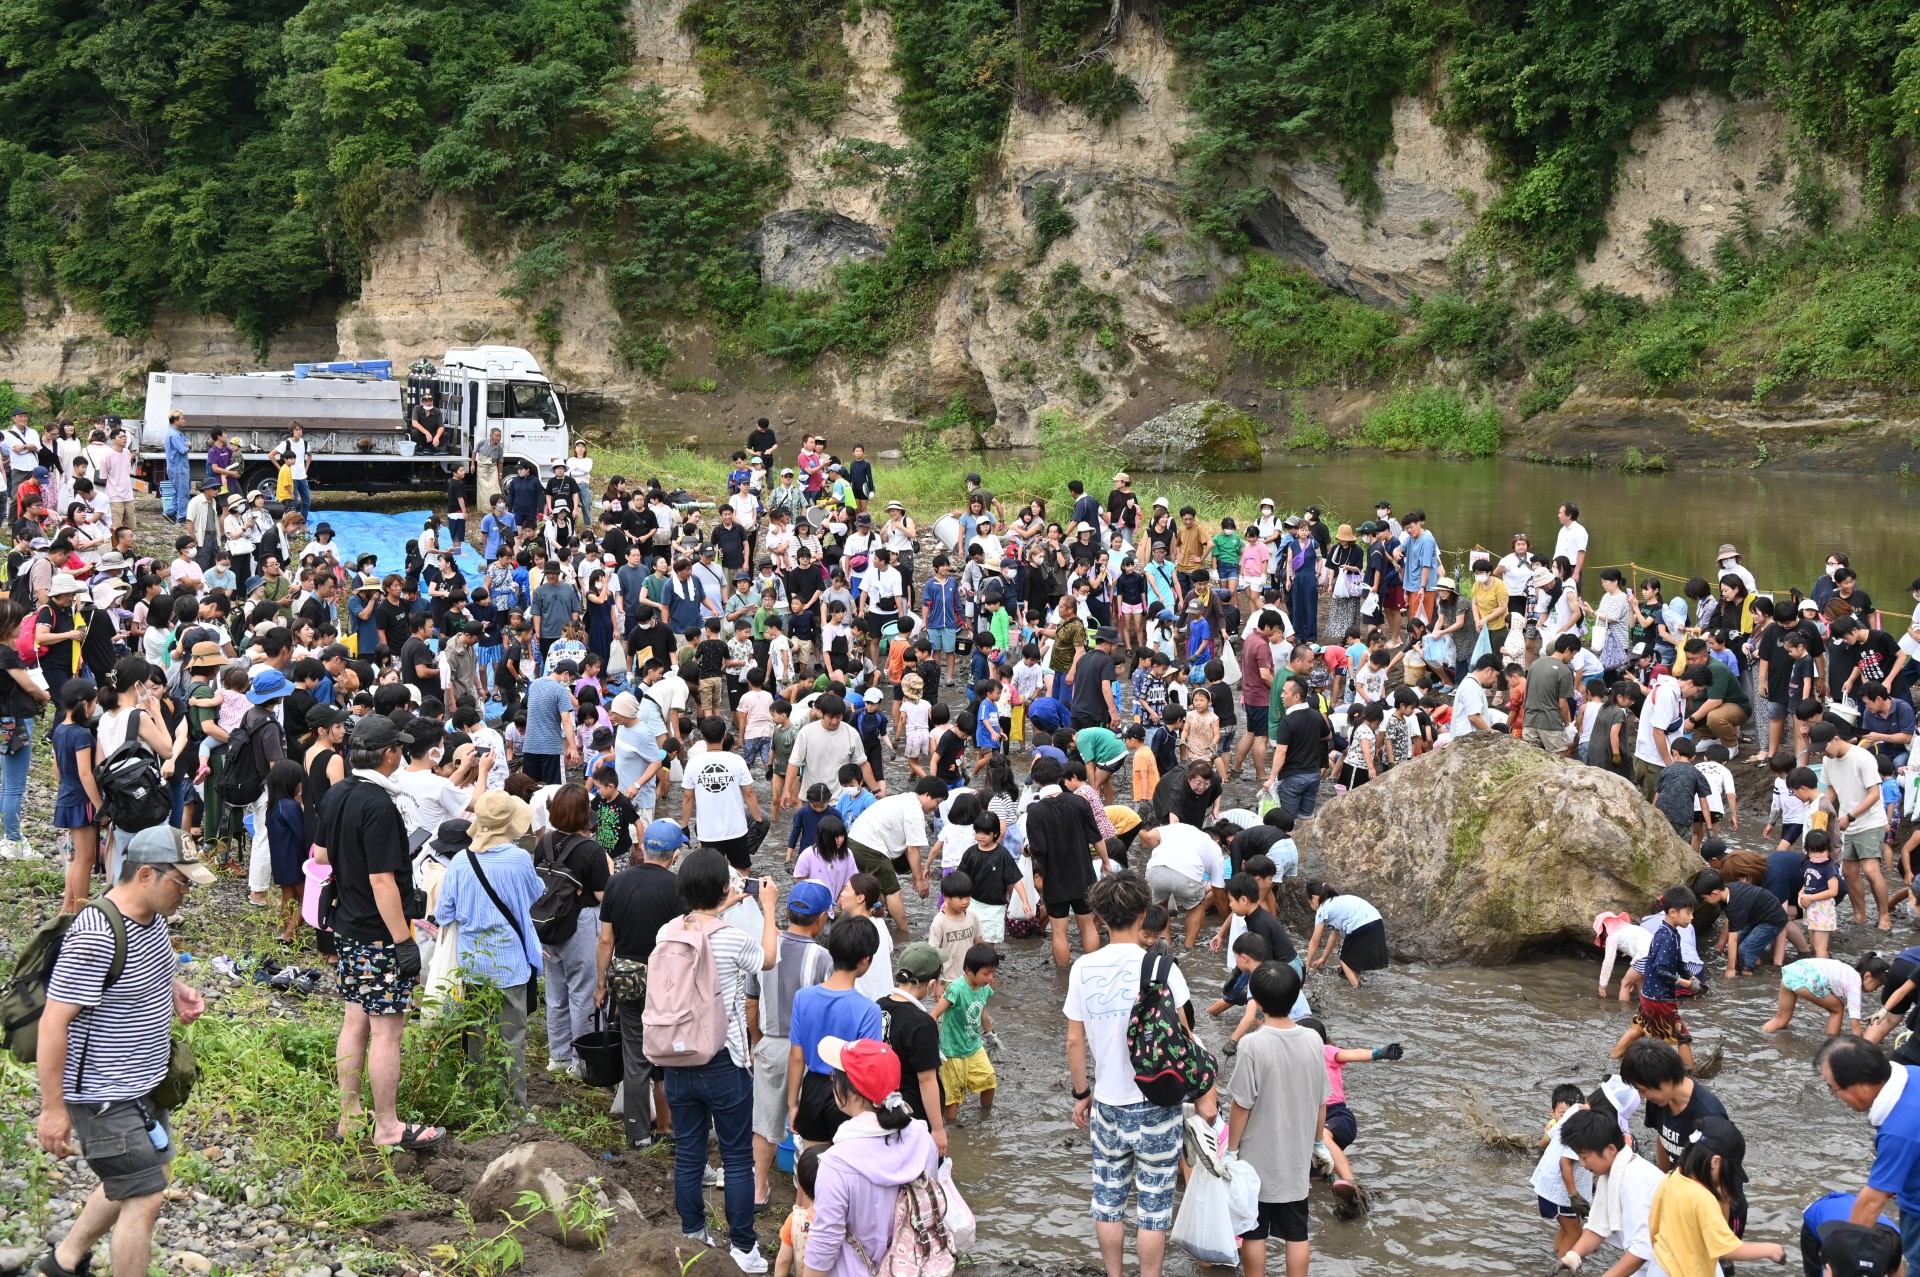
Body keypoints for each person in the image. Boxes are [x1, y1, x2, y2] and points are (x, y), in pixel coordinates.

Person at [33, 825, 213, 1277]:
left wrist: (176, 991)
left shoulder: (151, 921)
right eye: (182, 881)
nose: (186, 892)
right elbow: (54, 1022)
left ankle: (65, 1259)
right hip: (102, 1095)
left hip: (145, 1084)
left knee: (147, 1176)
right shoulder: (95, 934)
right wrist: (53, 1109)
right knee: (145, 1195)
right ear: (147, 874)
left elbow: (142, 972)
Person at [312, 712, 446, 1150]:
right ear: (389, 753)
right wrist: (404, 941)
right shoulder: (380, 805)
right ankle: (387, 1126)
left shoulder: (339, 794)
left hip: (347, 924)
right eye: (398, 748)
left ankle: (350, 1115)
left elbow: (323, 853)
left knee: (355, 1019)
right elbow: (383, 881)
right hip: (378, 931)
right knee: (387, 1027)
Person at [1064, 872, 1197, 1277]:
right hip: (1158, 1102)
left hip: (1107, 1102)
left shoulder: (1083, 968)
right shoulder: (1162, 966)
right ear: (1144, 914)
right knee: (1154, 1206)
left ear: (1100, 916)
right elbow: (1186, 1037)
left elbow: (1074, 1042)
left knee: (1108, 1201)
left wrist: (1081, 1093)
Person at [655, 849, 779, 1272]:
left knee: (689, 1153)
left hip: (676, 1057)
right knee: (737, 1157)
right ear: (725, 889)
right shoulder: (732, 938)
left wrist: (723, 900)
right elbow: (768, 958)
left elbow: (700, 924)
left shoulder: (667, 932)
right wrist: (768, 907)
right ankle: (743, 1247)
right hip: (723, 1060)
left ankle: (692, 1233)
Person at [433, 790, 543, 1106]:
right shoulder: (520, 859)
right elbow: (534, 895)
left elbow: (443, 915)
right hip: (512, 963)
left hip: (472, 965)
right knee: (513, 1039)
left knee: (476, 1036)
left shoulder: (460, 863)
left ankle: (476, 1103)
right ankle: (514, 1108)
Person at [800, 1036, 942, 1277]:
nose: (832, 1080)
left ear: (853, 1093)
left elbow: (824, 1244)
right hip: (913, 1268)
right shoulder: (923, 1139)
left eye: (835, 1075)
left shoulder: (836, 1163)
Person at [1226, 961, 1328, 1277]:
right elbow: (1320, 1099)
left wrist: (1230, 1151)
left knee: (1254, 1232)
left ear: (1255, 997)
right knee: (1297, 1232)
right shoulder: (1313, 1038)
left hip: (1256, 1159)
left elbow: (1241, 1104)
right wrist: (1318, 1142)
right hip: (1295, 1158)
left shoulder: (1251, 1044)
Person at [596, 818, 689, 1149]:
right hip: (665, 984)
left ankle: (638, 1135)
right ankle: (671, 1126)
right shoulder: (678, 888)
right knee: (670, 1056)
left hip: (625, 980)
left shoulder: (617, 883)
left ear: (643, 847)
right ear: (674, 854)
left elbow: (606, 940)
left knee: (635, 1058)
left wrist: (602, 984)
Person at [745, 879, 835, 1205]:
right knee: (810, 1128)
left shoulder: (765, 947)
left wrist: (758, 1041)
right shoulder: (823, 958)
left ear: (786, 910)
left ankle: (758, 1189)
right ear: (822, 918)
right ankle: (807, 1196)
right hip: (810, 1052)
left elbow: (750, 1004)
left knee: (765, 1122)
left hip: (771, 1043)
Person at [1818, 1035, 1920, 1272]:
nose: (1838, 1098)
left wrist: (1840, 1261)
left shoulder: (1899, 1130)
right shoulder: (1913, 1075)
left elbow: (1872, 1201)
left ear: (1861, 1084)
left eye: (1835, 1090)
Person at [536, 783, 615, 1077]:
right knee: (582, 993)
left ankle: (557, 1056)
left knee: (555, 993)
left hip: (546, 924)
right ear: (584, 814)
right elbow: (602, 897)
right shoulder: (592, 850)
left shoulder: (543, 843)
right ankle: (580, 1062)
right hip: (579, 925)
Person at [1648, 1115, 1788, 1275]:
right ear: (1715, 1162)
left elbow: (1654, 1228)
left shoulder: (1670, 1178)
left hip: (1659, 1266)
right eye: (1729, 1170)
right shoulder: (1702, 1199)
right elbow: (1726, 1248)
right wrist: (1771, 1250)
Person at [787, 915, 883, 1147]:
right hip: (850, 1095)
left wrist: (793, 1103)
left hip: (813, 1088)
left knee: (811, 1167)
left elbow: (797, 1057)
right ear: (866, 960)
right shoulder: (869, 1010)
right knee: (848, 1170)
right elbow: (869, 1068)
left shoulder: (803, 998)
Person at [1554, 1107, 1666, 1277]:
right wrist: (1572, 1257)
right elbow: (1598, 1226)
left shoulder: (1634, 1180)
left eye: (1584, 1157)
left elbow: (1642, 1249)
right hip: (1648, 1265)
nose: (1582, 1165)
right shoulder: (1612, 1173)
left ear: (1611, 1150)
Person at [877, 942, 950, 1157]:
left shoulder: (878, 1005)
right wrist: (937, 1129)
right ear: (931, 984)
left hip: (882, 1105)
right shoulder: (922, 1023)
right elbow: (926, 1080)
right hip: (912, 1113)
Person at [682, 715, 765, 870]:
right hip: (736, 828)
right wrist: (758, 820)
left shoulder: (693, 763)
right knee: (742, 869)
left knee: (713, 872)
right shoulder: (737, 761)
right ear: (725, 734)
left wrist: (684, 826)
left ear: (703, 737)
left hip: (708, 831)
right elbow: (749, 793)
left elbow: (688, 797)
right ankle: (740, 894)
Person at [931, 942, 998, 1122]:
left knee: (989, 1082)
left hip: (974, 1047)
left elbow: (982, 1010)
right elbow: (934, 1014)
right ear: (969, 970)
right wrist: (932, 1043)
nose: (990, 977)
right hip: (952, 1052)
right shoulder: (956, 989)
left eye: (993, 972)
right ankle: (952, 1132)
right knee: (953, 1099)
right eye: (986, 973)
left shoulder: (984, 987)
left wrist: (991, 1034)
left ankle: (985, 1118)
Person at [1762, 953, 1889, 1037]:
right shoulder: (1854, 985)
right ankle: (1831, 1043)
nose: (1875, 990)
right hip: (1806, 978)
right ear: (1867, 976)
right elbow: (1855, 1024)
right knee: (1838, 1008)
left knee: (1780, 1019)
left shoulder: (1848, 971)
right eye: (1877, 986)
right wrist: (1863, 1044)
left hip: (1792, 972)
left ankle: (1763, 1036)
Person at [1303, 881, 1387, 988]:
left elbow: (1314, 941)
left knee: (1344, 956)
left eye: (1309, 903)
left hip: (1361, 925)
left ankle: (1356, 988)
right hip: (1376, 922)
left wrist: (1307, 965)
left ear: (1315, 898)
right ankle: (1354, 977)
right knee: (1348, 954)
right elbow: (1333, 935)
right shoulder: (1336, 902)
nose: (1311, 906)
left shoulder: (1322, 909)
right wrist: (1323, 958)